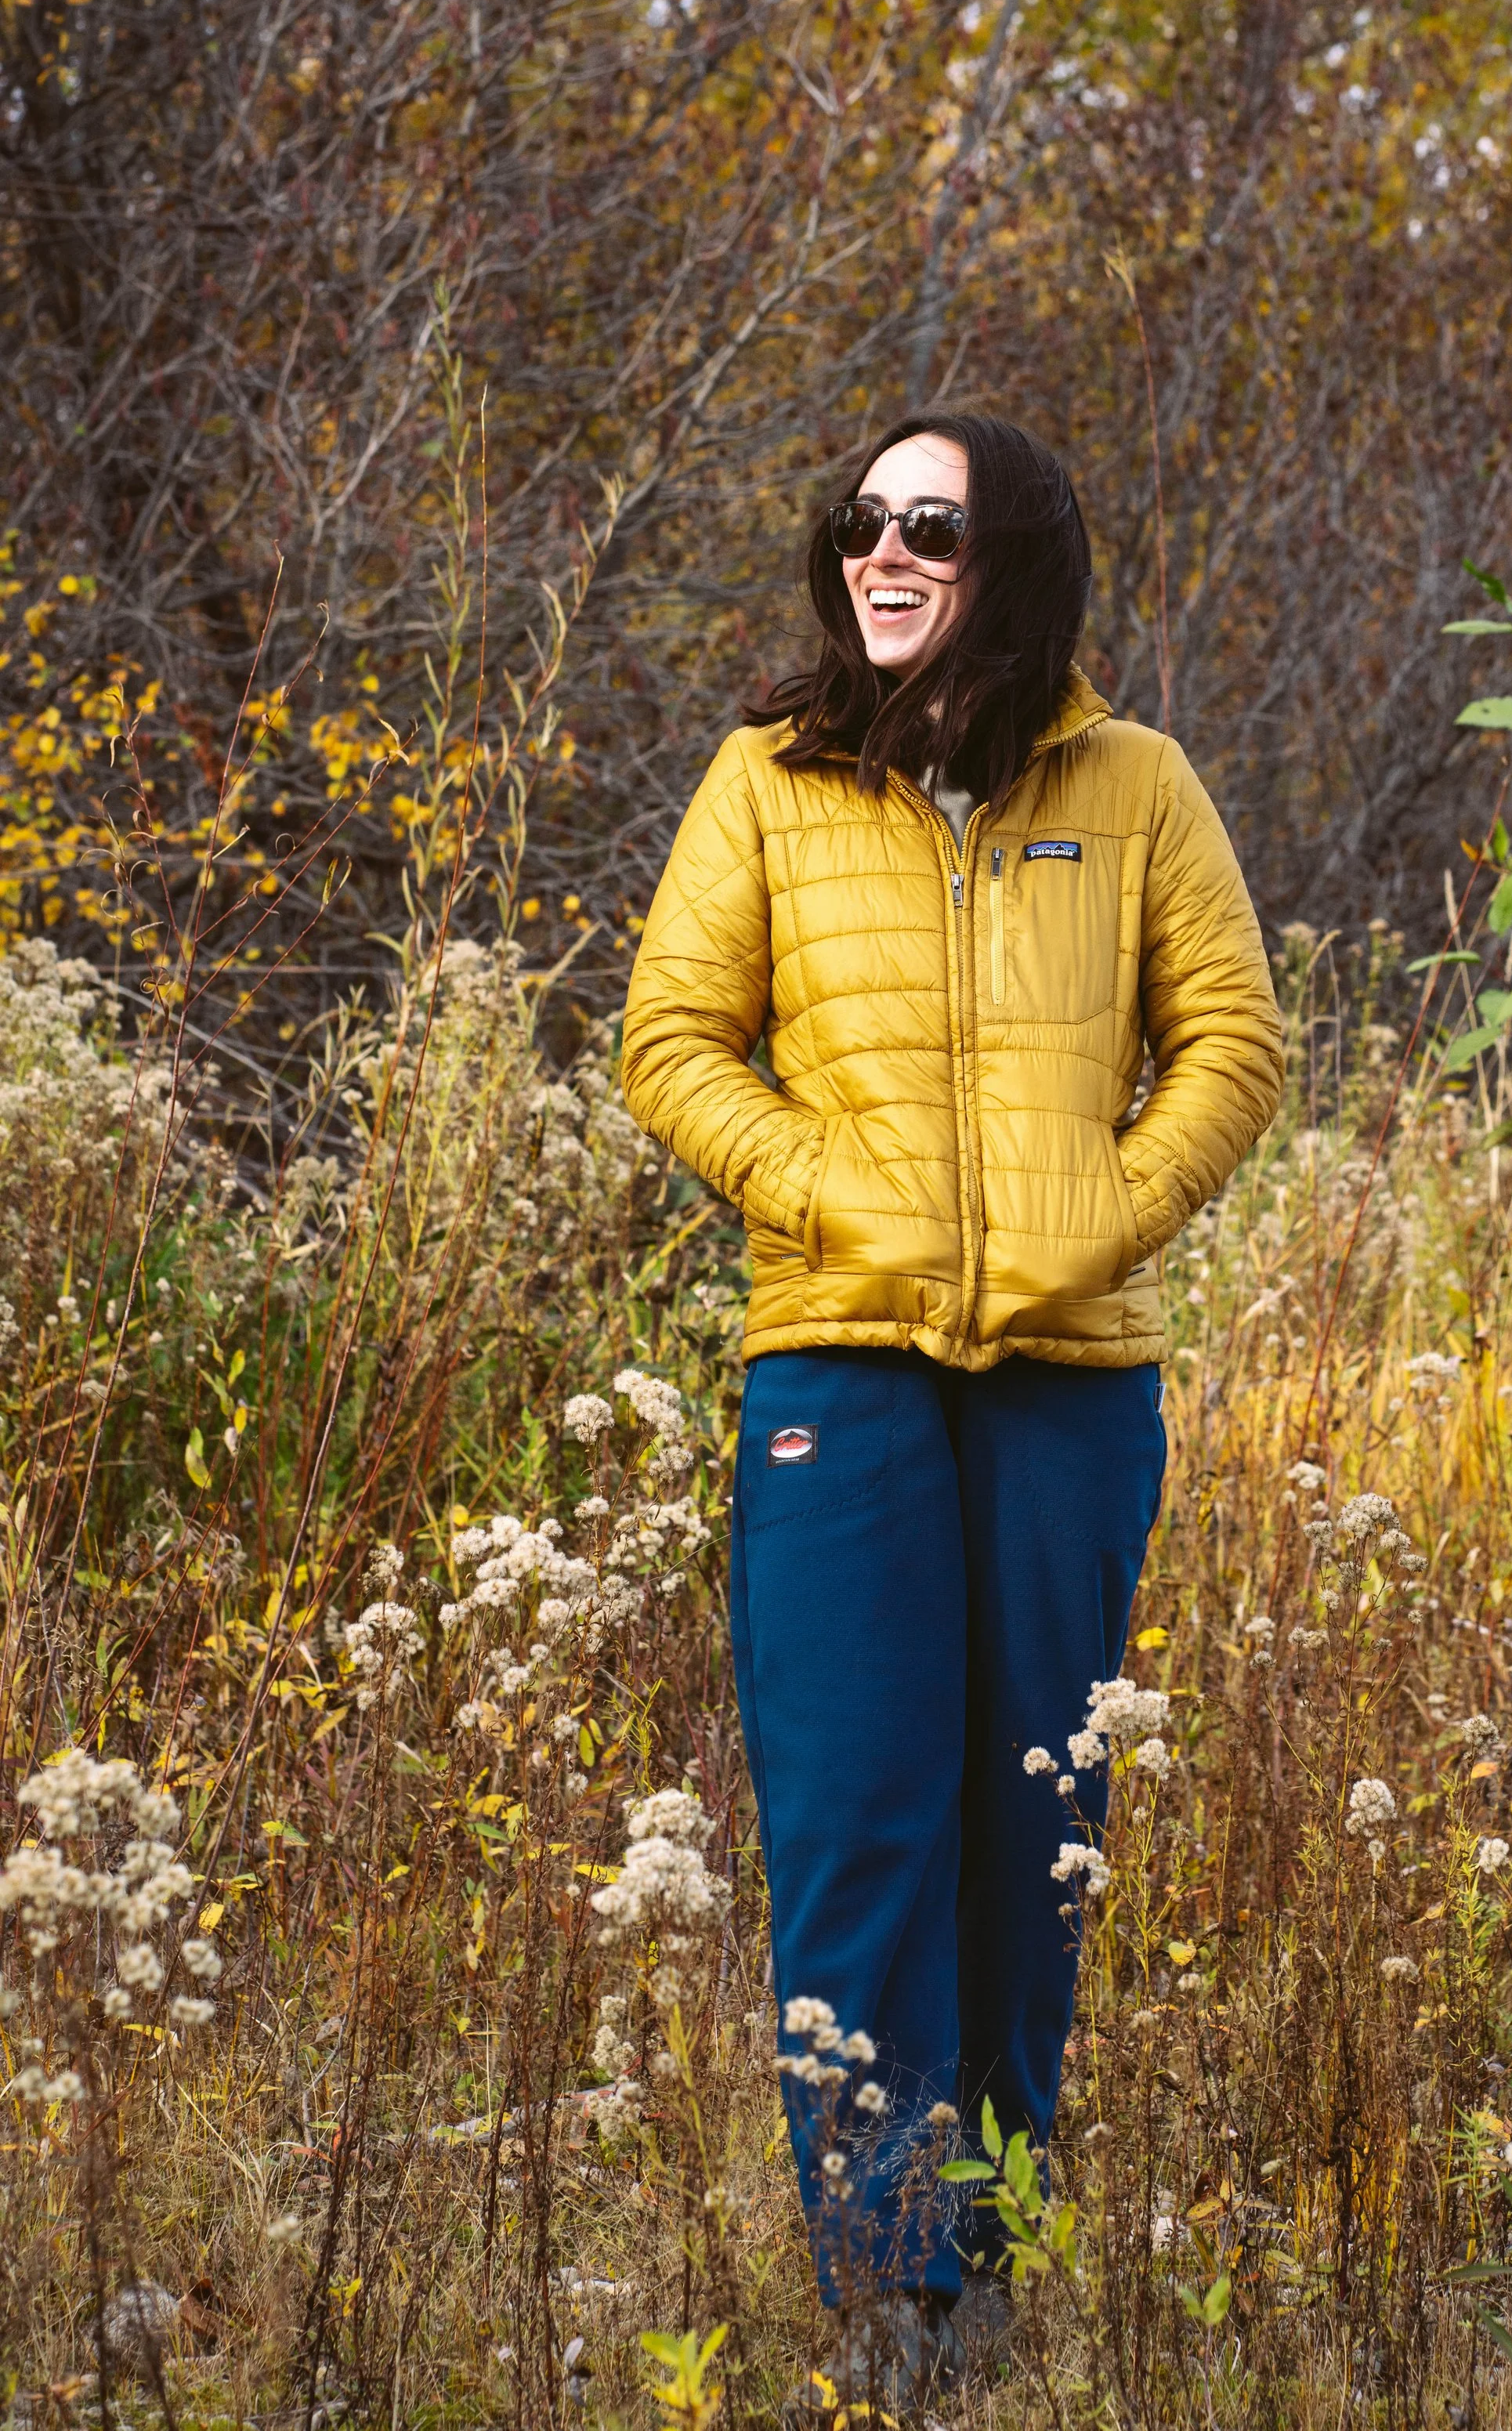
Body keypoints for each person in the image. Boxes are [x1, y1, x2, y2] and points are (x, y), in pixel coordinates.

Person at [620, 411, 1282, 2411]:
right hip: (837, 1361)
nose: (882, 555)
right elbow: (671, 1046)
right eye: (857, 523)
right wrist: (845, 1199)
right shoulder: (767, 780)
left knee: (1033, 1826)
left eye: (929, 526)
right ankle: (881, 2272)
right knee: (855, 1819)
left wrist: (1101, 1216)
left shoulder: (1135, 786)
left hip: (1072, 1388)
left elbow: (1232, 1043)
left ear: (1018, 559)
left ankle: (984, 2245)